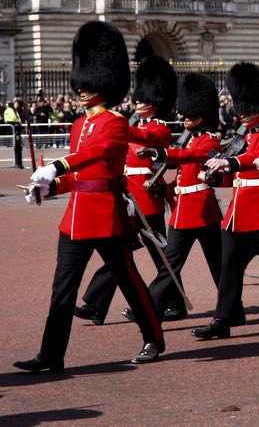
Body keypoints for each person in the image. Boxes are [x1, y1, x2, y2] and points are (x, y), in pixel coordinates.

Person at [15, 21, 164, 372]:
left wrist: (56, 165)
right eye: (79, 82)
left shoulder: (114, 122)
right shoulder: (79, 124)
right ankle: (51, 354)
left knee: (128, 280)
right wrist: (49, 187)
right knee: (62, 290)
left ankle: (153, 338)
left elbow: (94, 156)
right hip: (75, 219)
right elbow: (81, 178)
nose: (81, 88)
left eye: (88, 82)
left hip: (106, 217)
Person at [191, 63, 259, 340]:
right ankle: (223, 319)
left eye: (247, 106)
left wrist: (230, 161)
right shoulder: (240, 138)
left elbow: (256, 160)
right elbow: (234, 176)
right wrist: (216, 178)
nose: (242, 112)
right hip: (238, 212)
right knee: (229, 265)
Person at [74, 55, 180, 325]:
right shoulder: (131, 125)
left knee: (161, 256)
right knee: (117, 251)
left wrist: (121, 127)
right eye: (137, 99)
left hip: (146, 198)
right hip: (128, 196)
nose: (137, 103)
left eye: (143, 100)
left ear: (155, 103)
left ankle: (174, 303)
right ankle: (96, 304)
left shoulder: (160, 130)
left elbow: (148, 140)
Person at [126, 73, 223, 321]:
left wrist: (160, 153)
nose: (184, 119)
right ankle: (150, 308)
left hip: (203, 212)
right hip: (182, 213)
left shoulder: (210, 141)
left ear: (201, 117)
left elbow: (189, 160)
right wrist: (163, 190)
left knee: (219, 266)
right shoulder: (189, 139)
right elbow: (182, 179)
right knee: (168, 265)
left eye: (190, 116)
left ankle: (230, 309)